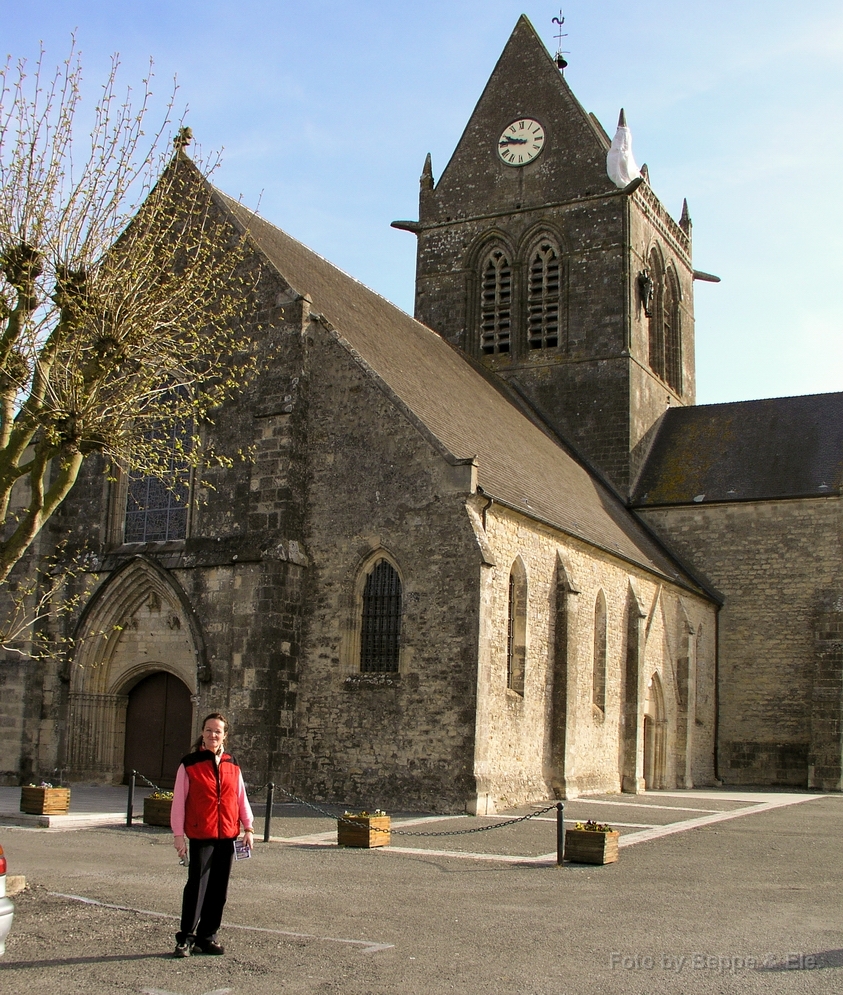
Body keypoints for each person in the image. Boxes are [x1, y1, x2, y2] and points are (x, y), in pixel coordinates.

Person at [170, 711, 255, 957]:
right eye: (209, 730)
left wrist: (248, 827)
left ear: (224, 735)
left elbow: (240, 797)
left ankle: (207, 936)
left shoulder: (232, 763)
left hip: (226, 834)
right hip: (201, 833)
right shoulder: (189, 763)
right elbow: (179, 802)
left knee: (219, 889)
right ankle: (185, 937)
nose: (213, 735)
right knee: (197, 887)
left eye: (217, 731)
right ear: (203, 733)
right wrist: (178, 835)